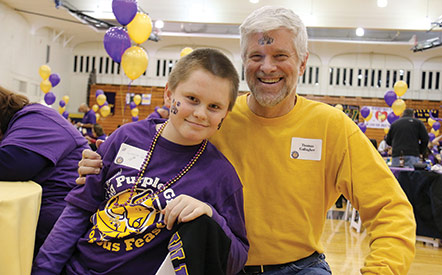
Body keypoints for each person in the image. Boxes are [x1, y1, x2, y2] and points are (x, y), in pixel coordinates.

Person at [77, 6, 416, 274]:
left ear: (303, 61)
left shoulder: (332, 127)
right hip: (216, 262)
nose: (267, 67)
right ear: (244, 63)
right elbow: (160, 132)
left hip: (301, 267)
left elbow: (390, 208)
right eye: (256, 57)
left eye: (280, 55)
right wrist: (102, 159)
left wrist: (381, 270)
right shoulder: (216, 116)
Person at [33, 48, 248, 275]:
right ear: (169, 94)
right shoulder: (126, 136)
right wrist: (43, 270)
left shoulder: (222, 175)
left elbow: (237, 258)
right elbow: (77, 211)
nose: (201, 114)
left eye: (214, 107)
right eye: (192, 99)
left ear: (226, 112)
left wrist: (210, 216)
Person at [0, 86, 89, 257]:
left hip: (60, 218)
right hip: (51, 215)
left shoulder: (36, 117)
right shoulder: (29, 119)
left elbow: (13, 164)